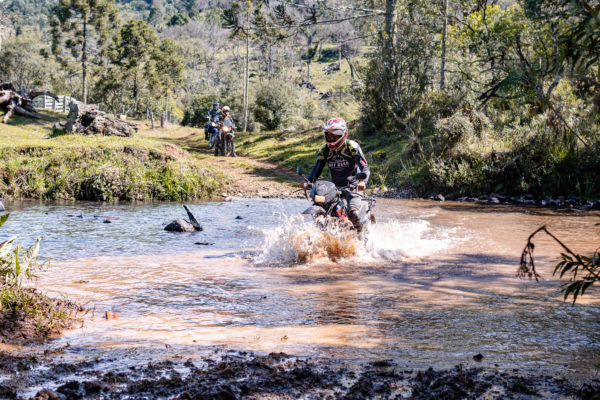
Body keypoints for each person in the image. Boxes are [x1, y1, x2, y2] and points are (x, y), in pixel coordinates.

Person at [300, 117, 370, 231]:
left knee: (354, 214)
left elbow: (365, 167)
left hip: (352, 188)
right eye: (329, 135)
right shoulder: (324, 150)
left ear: (344, 134)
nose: (331, 138)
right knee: (322, 208)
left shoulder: (351, 146)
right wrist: (308, 182)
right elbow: (316, 169)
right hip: (333, 188)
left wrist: (362, 182)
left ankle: (361, 238)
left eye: (335, 135)